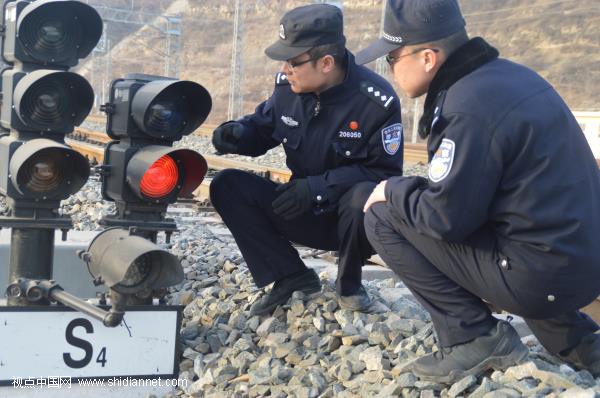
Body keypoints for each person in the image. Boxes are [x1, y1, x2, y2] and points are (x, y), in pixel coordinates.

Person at [358, 0, 600, 383]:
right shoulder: (510, 78)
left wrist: (391, 189)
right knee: (519, 224)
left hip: (541, 278)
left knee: (382, 215)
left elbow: (445, 220)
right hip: (582, 265)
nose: (388, 67)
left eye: (392, 57)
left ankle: (472, 337)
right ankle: (584, 344)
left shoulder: (465, 106)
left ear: (427, 57)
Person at [209, 4, 404, 316]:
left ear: (326, 62)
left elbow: (385, 174)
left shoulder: (375, 103)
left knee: (365, 196)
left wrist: (317, 187)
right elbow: (262, 129)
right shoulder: (288, 91)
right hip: (300, 210)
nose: (286, 68)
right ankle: (291, 276)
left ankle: (350, 284)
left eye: (293, 61)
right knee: (226, 185)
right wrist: (237, 134)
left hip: (352, 224)